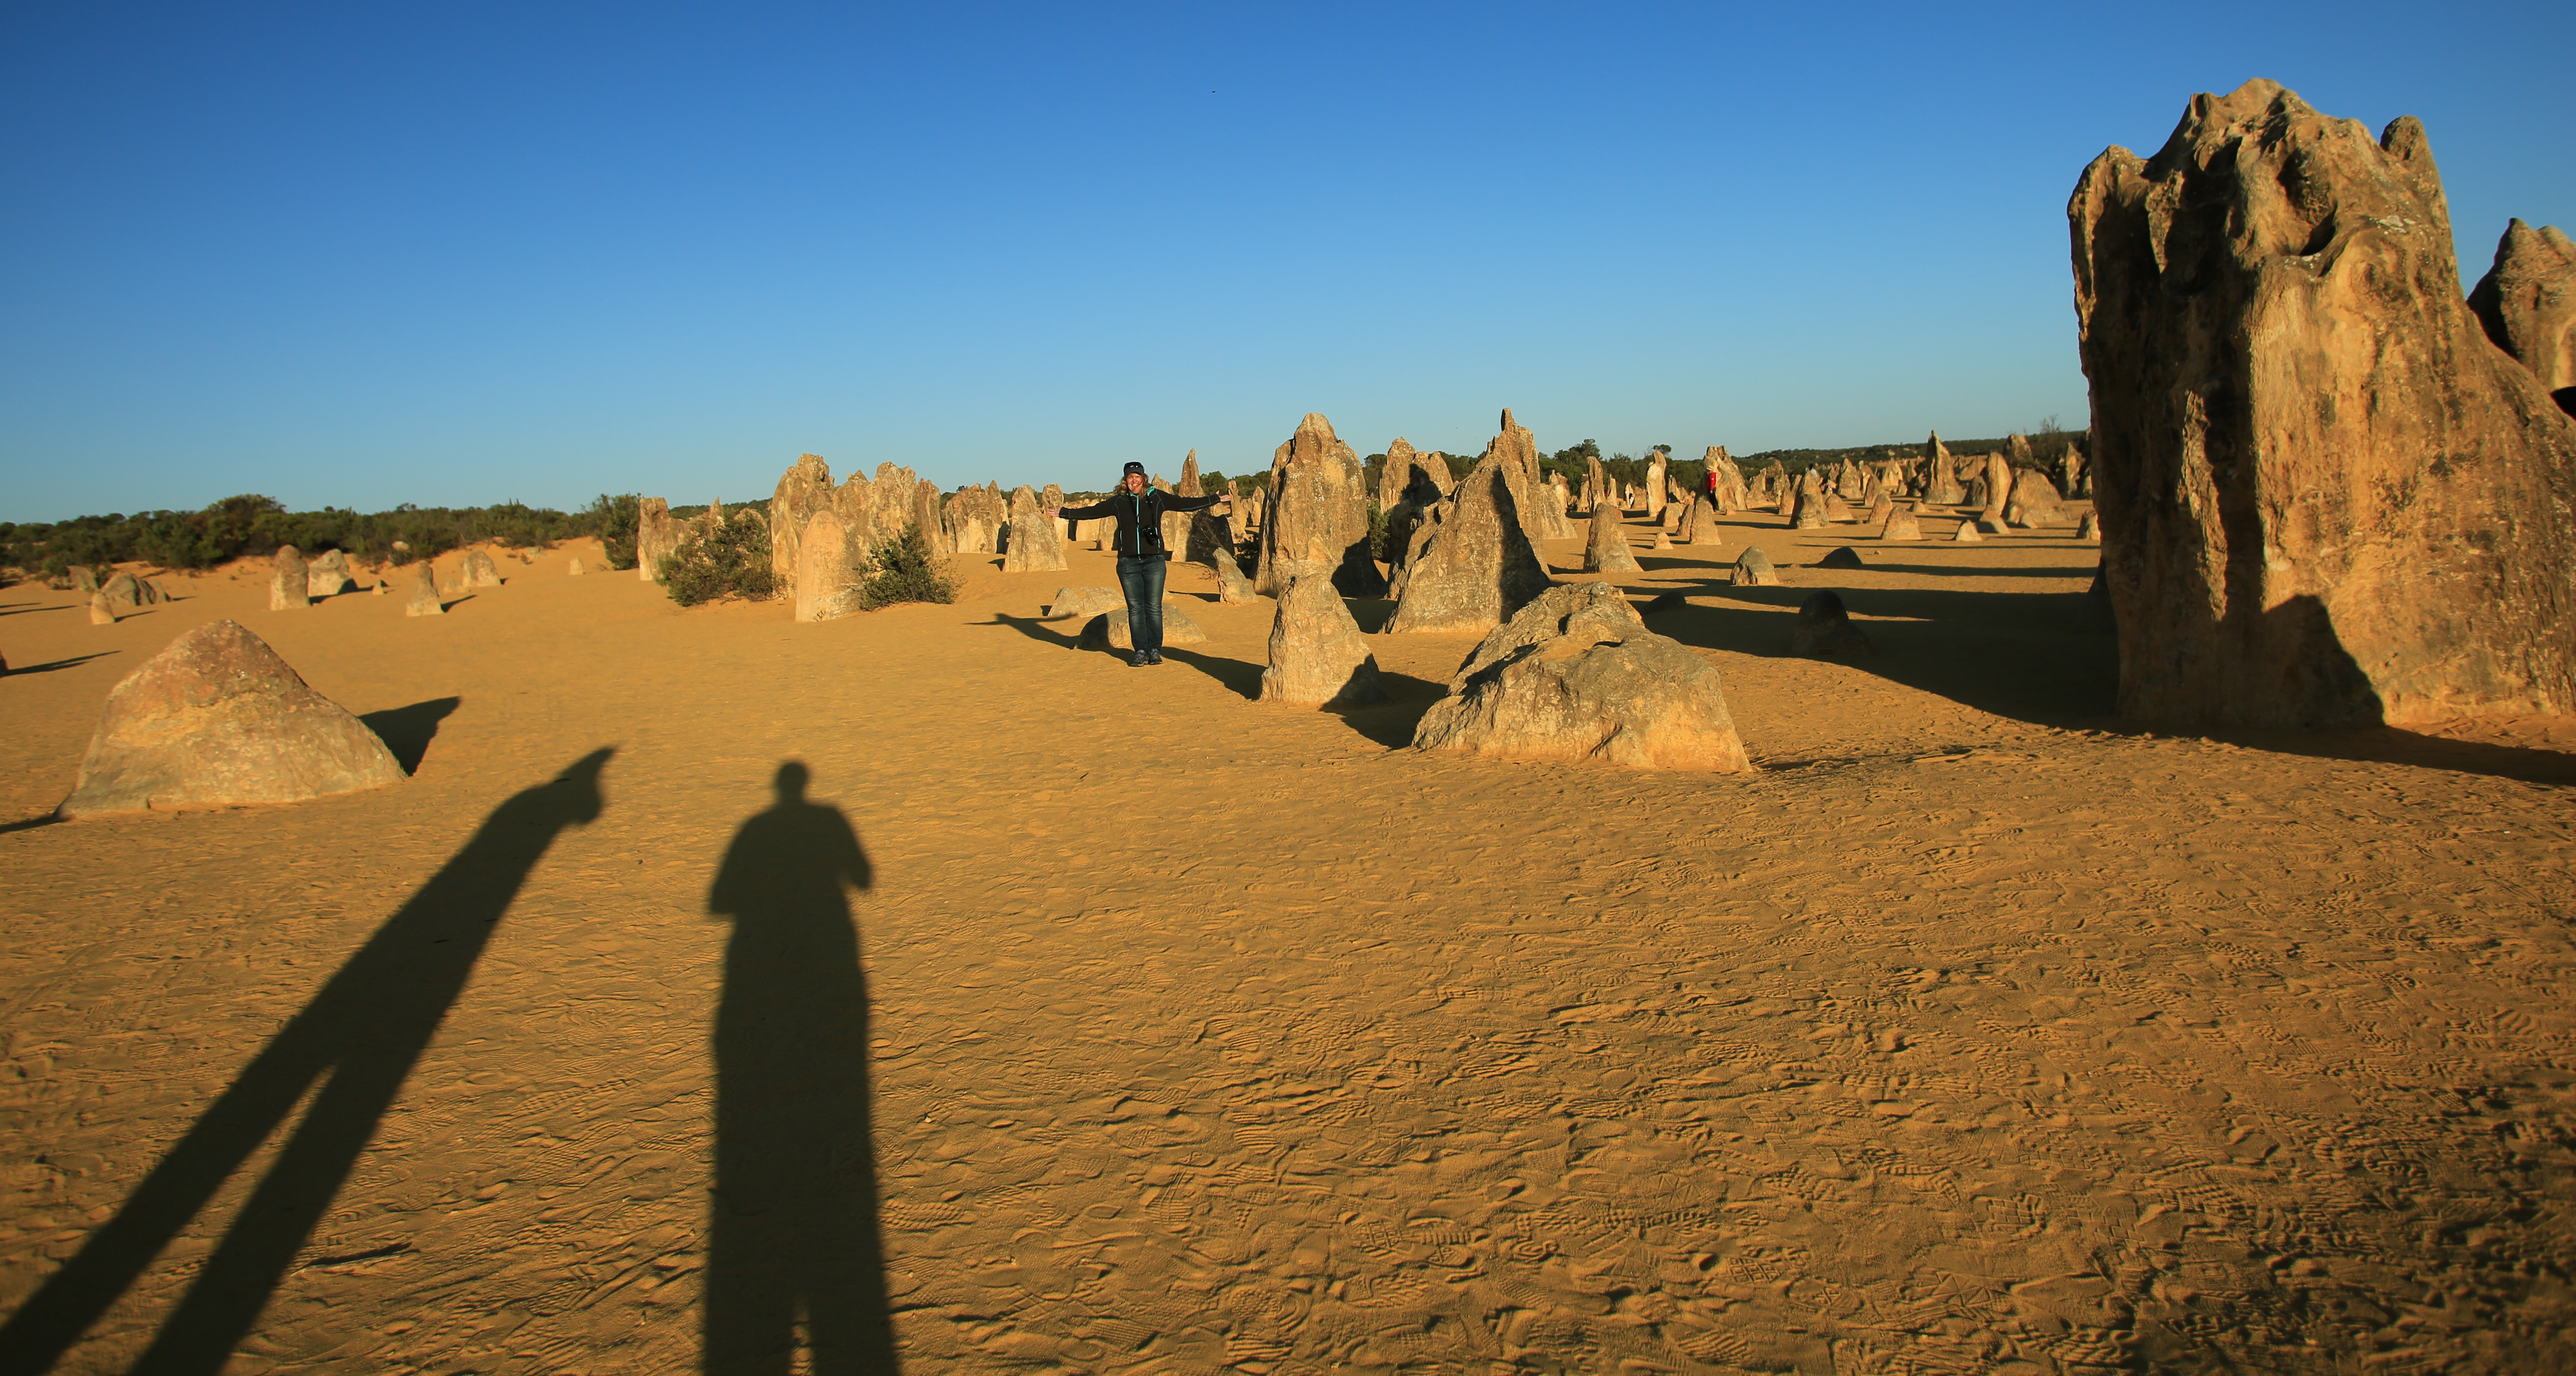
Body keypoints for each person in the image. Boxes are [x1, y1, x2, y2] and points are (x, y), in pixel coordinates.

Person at [1050, 463, 1230, 666]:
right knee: (1135, 608)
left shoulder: (1157, 497)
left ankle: (1155, 649)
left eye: (1137, 477)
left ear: (1143, 478)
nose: (1134, 481)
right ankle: (1141, 651)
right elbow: (1094, 511)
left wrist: (1214, 500)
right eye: (1130, 477)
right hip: (1128, 563)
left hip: (1154, 561)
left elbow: (1184, 503)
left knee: (1153, 608)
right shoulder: (1119, 501)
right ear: (1125, 481)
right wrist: (1066, 513)